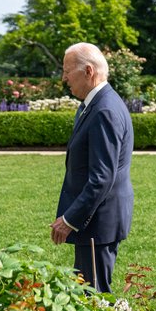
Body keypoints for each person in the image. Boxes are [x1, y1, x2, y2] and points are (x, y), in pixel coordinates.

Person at [50, 42, 134, 293]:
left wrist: (70, 220)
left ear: (88, 71)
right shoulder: (95, 104)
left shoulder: (104, 110)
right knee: (88, 294)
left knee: (93, 297)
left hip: (98, 223)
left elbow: (101, 177)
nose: (64, 78)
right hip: (96, 222)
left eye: (67, 71)